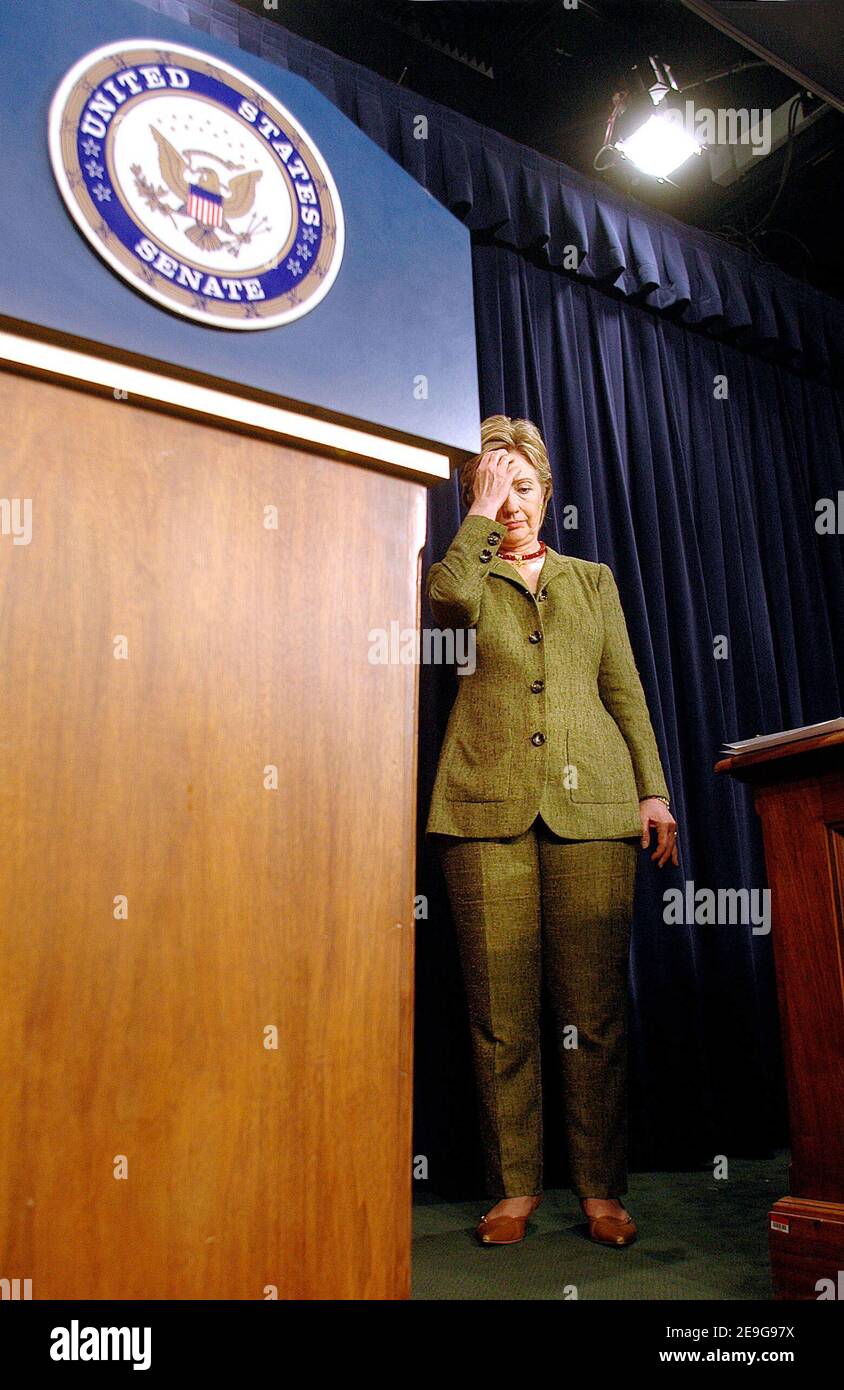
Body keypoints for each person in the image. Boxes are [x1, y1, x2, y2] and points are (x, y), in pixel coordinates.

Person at [425, 415, 678, 1247]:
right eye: (495, 493)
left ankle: (602, 1190)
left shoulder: (595, 580)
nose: (512, 507)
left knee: (594, 1012)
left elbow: (627, 691)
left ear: (550, 493)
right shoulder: (465, 569)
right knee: (500, 1013)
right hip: (483, 810)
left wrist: (653, 791)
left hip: (595, 808)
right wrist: (478, 514)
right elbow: (444, 605)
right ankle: (513, 1190)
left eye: (523, 490)